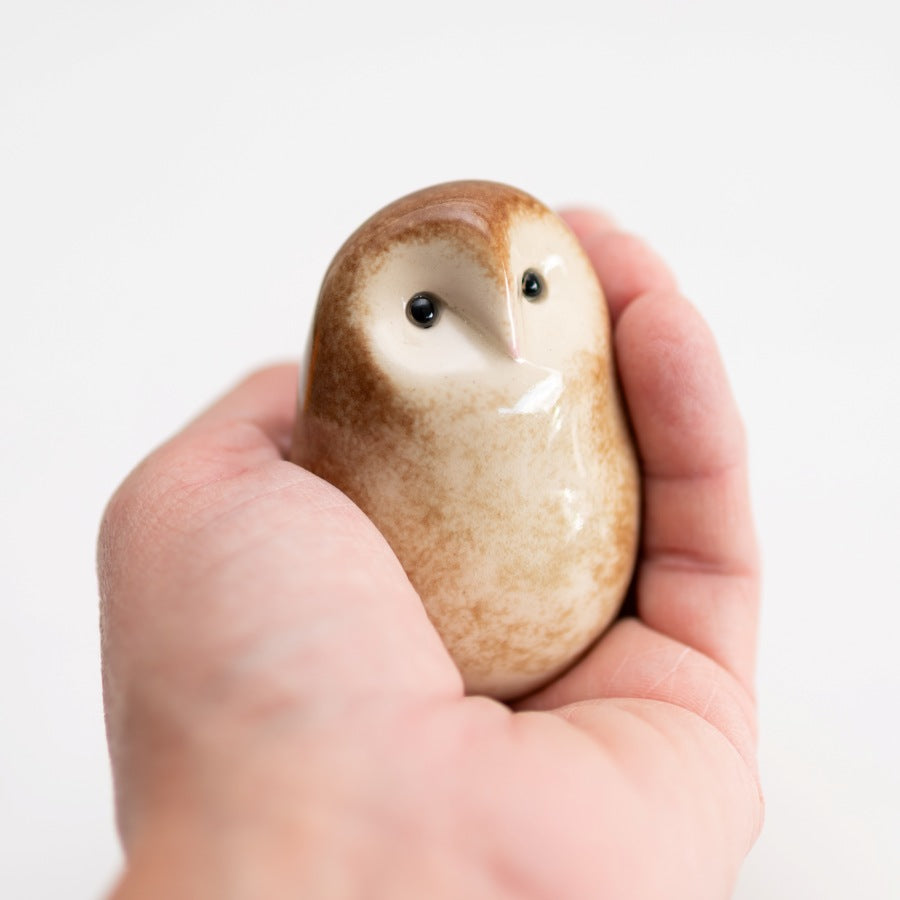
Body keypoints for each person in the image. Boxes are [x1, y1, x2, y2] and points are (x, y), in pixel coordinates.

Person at [98, 210, 762, 899]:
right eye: (424, 309)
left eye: (532, 288)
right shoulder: (357, 396)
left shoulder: (574, 370)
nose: (510, 339)